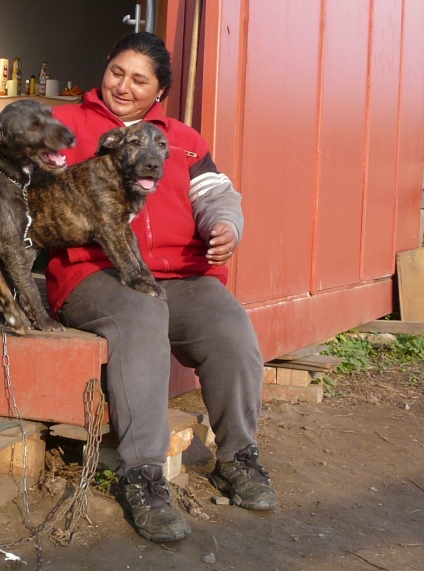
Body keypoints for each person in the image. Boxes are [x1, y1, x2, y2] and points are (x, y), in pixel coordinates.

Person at [44, 32, 276, 543]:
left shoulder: (185, 140)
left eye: (138, 80)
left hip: (182, 275)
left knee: (229, 326)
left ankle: (238, 458)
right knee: (143, 314)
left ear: (159, 92)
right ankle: (143, 475)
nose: (122, 86)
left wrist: (226, 227)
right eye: (116, 72)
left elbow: (217, 194)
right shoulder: (65, 125)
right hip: (94, 273)